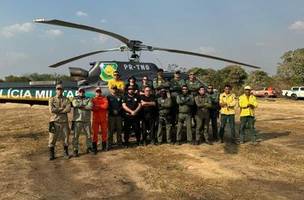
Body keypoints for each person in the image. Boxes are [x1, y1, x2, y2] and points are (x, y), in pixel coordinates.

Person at [48, 84, 71, 160]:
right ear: (56, 90)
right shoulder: (52, 99)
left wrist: (57, 109)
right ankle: (52, 154)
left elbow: (68, 109)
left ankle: (65, 153)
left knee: (65, 138)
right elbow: (51, 110)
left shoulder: (66, 99)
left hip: (64, 122)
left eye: (61, 89)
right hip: (54, 121)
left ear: (63, 90)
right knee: (52, 138)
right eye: (58, 89)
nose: (59, 90)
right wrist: (62, 109)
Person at [71, 88, 93, 157]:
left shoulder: (88, 98)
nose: (81, 93)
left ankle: (89, 148)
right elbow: (75, 105)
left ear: (84, 92)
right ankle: (75, 150)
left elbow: (90, 106)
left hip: (86, 120)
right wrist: (84, 105)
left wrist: (81, 105)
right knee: (75, 136)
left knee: (89, 135)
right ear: (78, 92)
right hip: (78, 120)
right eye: (80, 91)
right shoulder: (74, 98)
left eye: (83, 91)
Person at [92, 87, 109, 154]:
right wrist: (101, 106)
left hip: (103, 119)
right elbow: (93, 108)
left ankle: (104, 147)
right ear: (95, 92)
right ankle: (94, 148)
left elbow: (105, 106)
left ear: (101, 92)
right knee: (94, 134)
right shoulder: (93, 99)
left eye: (99, 91)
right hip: (95, 119)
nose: (98, 93)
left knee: (104, 133)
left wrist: (97, 106)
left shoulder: (104, 98)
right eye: (97, 91)